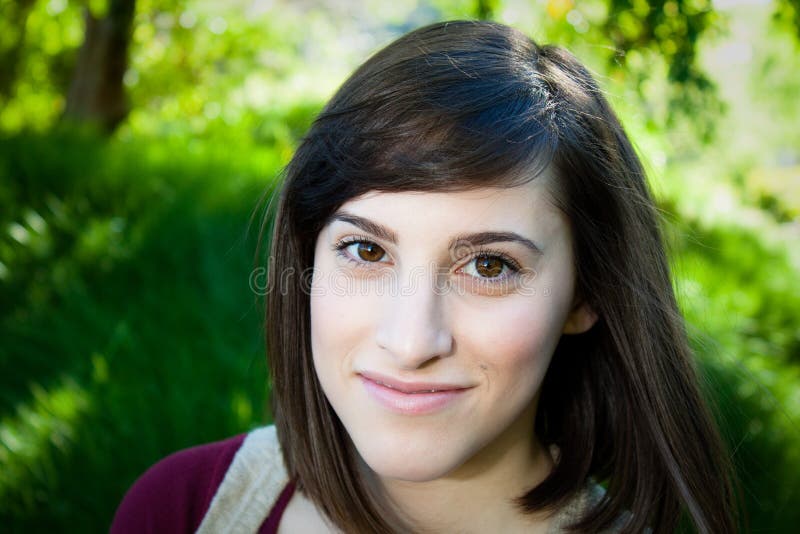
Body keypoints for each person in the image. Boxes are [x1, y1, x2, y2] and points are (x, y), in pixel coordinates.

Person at [111, 20, 739, 533]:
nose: (411, 343)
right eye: (365, 251)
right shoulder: (182, 509)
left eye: (489, 266)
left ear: (587, 293)